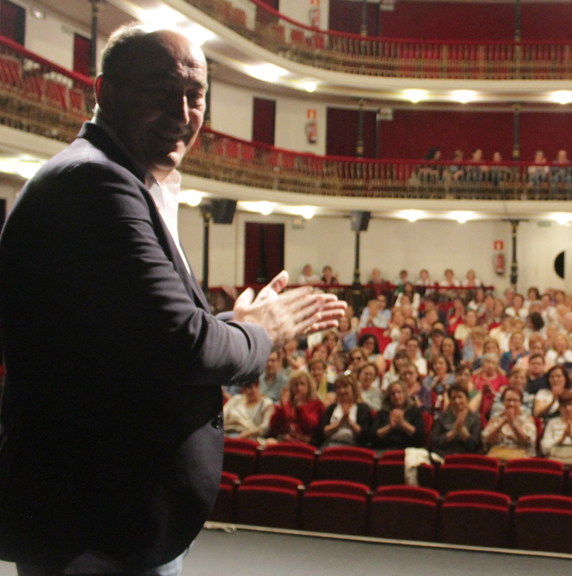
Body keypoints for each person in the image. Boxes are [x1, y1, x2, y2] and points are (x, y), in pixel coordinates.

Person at [0, 26, 346, 575]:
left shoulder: (111, 177)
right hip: (100, 516)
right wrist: (264, 331)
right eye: (162, 91)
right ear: (105, 93)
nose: (184, 112)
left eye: (197, 95)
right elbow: (182, 344)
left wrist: (238, 321)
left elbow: (140, 333)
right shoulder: (98, 184)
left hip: (108, 510)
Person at [318, 374, 373, 449]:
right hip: (331, 444)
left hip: (354, 446)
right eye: (338, 388)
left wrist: (349, 421)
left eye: (345, 387)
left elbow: (365, 435)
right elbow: (322, 432)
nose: (342, 391)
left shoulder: (362, 408)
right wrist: (339, 424)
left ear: (353, 389)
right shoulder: (332, 408)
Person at [482, 387, 537, 461]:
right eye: (508, 400)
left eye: (515, 400)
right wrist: (502, 424)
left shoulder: (527, 419)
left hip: (521, 455)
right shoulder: (496, 418)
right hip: (497, 454)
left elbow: (526, 440)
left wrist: (513, 424)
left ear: (520, 402)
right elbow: (488, 439)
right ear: (503, 402)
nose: (511, 404)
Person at [370, 382, 426, 453]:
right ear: (389, 397)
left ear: (404, 394)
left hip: (408, 450)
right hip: (385, 449)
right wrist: (390, 427)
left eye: (399, 393)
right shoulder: (383, 412)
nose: (396, 396)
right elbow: (374, 436)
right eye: (393, 394)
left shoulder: (414, 411)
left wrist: (402, 423)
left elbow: (419, 436)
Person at [430, 384, 483, 456]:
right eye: (453, 398)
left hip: (466, 457)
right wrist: (453, 432)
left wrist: (462, 431)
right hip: (443, 455)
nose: (457, 401)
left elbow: (475, 446)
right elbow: (434, 441)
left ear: (467, 399)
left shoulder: (475, 419)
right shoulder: (442, 417)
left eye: (460, 397)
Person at [223, 379, 276, 444]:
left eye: (250, 388)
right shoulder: (236, 399)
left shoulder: (266, 403)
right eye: (245, 389)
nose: (248, 391)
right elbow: (222, 416)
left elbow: (266, 427)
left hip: (249, 437)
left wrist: (248, 433)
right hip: (226, 433)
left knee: (271, 442)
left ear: (257, 386)